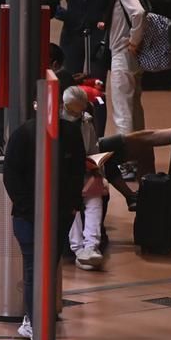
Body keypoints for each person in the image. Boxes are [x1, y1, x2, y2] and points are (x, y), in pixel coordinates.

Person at [4, 100, 86, 339]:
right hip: (29, 217)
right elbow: (12, 177)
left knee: (47, 267)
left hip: (58, 215)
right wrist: (30, 210)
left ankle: (35, 318)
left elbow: (77, 171)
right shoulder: (23, 135)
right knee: (35, 268)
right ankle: (35, 321)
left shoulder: (70, 133)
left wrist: (71, 207)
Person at [104, 0, 147, 141]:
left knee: (122, 111)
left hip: (122, 54)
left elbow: (138, 13)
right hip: (134, 58)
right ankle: (139, 150)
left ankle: (125, 153)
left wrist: (134, 40)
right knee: (134, 108)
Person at [64, 86, 105, 271]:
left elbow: (94, 150)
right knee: (69, 201)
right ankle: (79, 249)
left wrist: (97, 172)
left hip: (84, 172)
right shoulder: (55, 122)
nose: (77, 115)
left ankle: (91, 247)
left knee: (95, 198)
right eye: (74, 111)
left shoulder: (86, 121)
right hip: (63, 176)